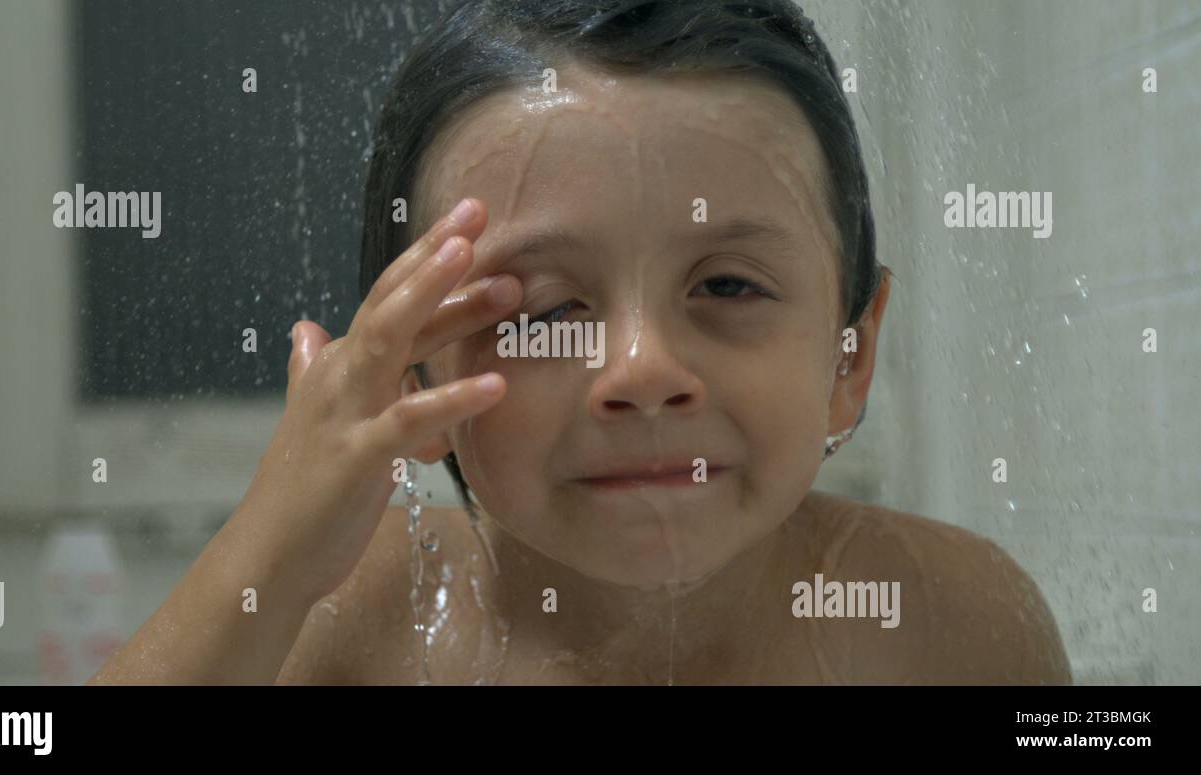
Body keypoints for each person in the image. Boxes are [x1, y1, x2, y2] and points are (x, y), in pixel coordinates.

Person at [92, 0, 1071, 685]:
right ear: (411, 373)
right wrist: (269, 554)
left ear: (847, 363)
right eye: (549, 310)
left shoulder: (943, 623)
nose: (641, 370)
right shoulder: (353, 612)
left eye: (728, 284)